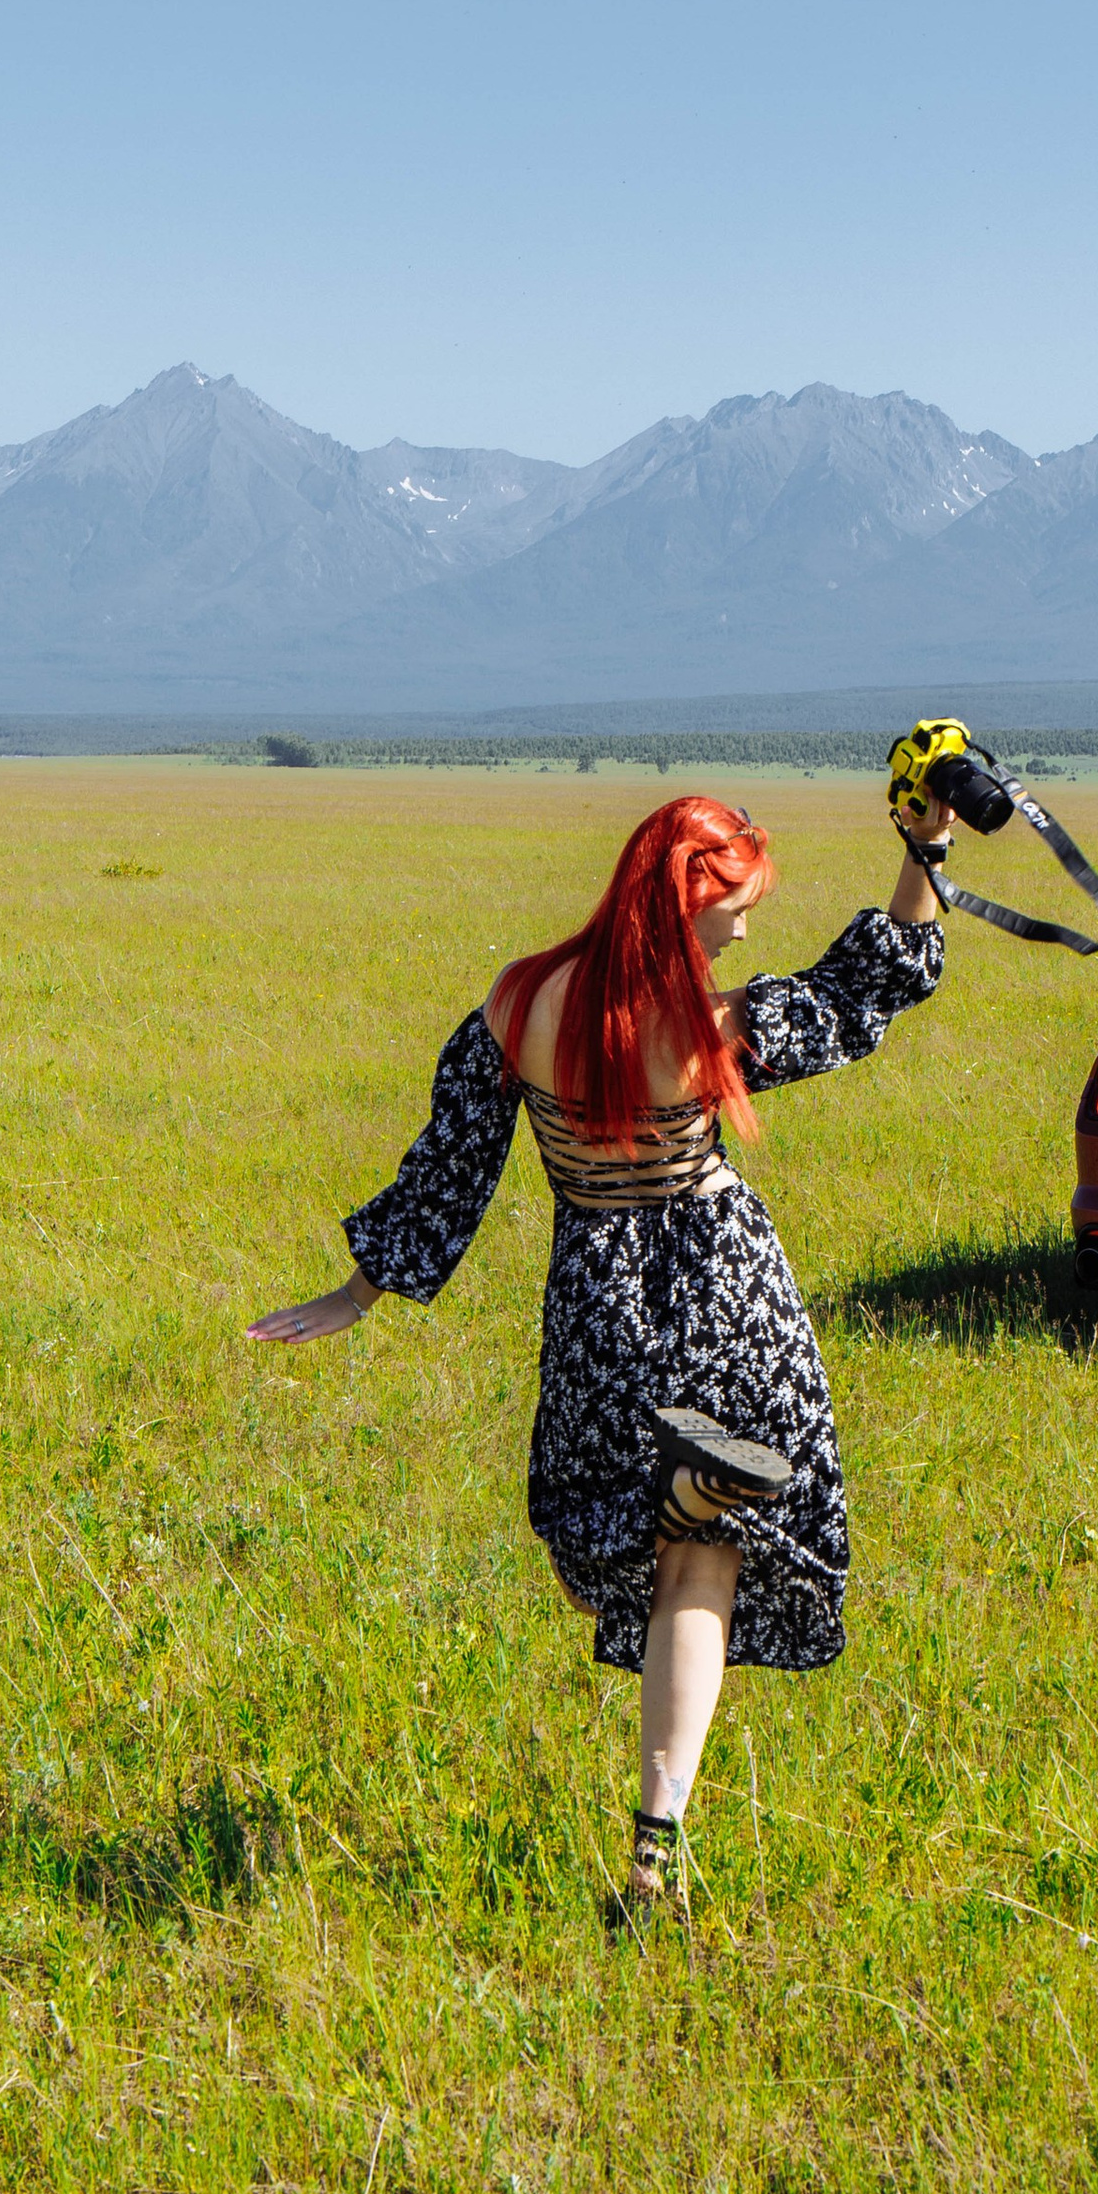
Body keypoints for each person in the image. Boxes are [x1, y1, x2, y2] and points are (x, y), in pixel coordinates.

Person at [246, 781, 953, 1919]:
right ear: (677, 903)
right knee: (700, 1563)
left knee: (649, 1551)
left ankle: (661, 1801)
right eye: (733, 908)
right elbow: (870, 985)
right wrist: (926, 850)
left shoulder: (519, 1000)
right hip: (732, 1300)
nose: (742, 931)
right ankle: (655, 1837)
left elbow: (453, 1164)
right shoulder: (717, 1025)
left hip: (599, 1310)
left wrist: (359, 1290)